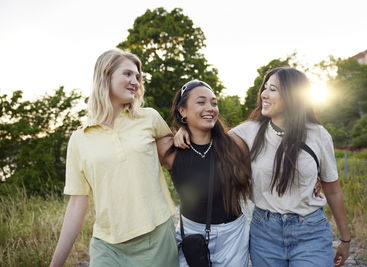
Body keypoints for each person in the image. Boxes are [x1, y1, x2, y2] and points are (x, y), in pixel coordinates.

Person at [175, 68, 350, 266]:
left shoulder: (318, 134)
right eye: (264, 88)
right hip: (265, 233)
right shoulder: (249, 131)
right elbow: (209, 137)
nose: (264, 94)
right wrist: (184, 128)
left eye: (272, 89)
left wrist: (345, 239)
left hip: (310, 230)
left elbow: (333, 191)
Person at [50, 49, 178, 267]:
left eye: (138, 77)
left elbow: (178, 161)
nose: (135, 81)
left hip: (155, 238)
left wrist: (183, 131)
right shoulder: (79, 139)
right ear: (105, 75)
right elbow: (77, 203)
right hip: (106, 246)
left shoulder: (149, 118)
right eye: (127, 74)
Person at [156, 80, 252, 267]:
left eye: (214, 103)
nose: (210, 108)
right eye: (201, 102)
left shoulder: (234, 144)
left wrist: (315, 178)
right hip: (191, 235)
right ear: (182, 110)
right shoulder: (169, 150)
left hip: (232, 237)